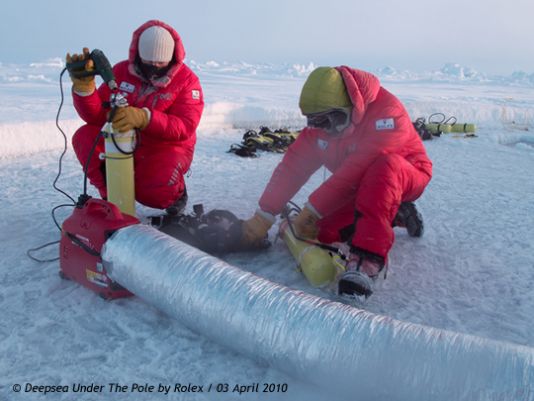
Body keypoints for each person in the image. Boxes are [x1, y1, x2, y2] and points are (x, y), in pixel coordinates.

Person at [240, 66, 433, 296]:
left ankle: (366, 260)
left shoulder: (388, 114)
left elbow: (356, 170)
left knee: (384, 168)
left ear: (350, 106)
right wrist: (264, 215)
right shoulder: (322, 127)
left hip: (405, 174)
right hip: (360, 185)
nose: (327, 130)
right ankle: (396, 214)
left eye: (333, 121)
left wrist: (311, 210)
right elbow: (292, 167)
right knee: (323, 232)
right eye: (319, 122)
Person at [67, 20, 204, 213]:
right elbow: (96, 118)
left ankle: (176, 195)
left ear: (172, 57)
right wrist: (85, 91)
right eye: (148, 61)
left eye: (160, 62)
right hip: (125, 139)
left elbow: (185, 126)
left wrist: (145, 118)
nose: (154, 66)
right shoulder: (120, 72)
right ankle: (112, 196)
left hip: (166, 147)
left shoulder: (187, 82)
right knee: (85, 137)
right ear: (139, 55)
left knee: (153, 189)